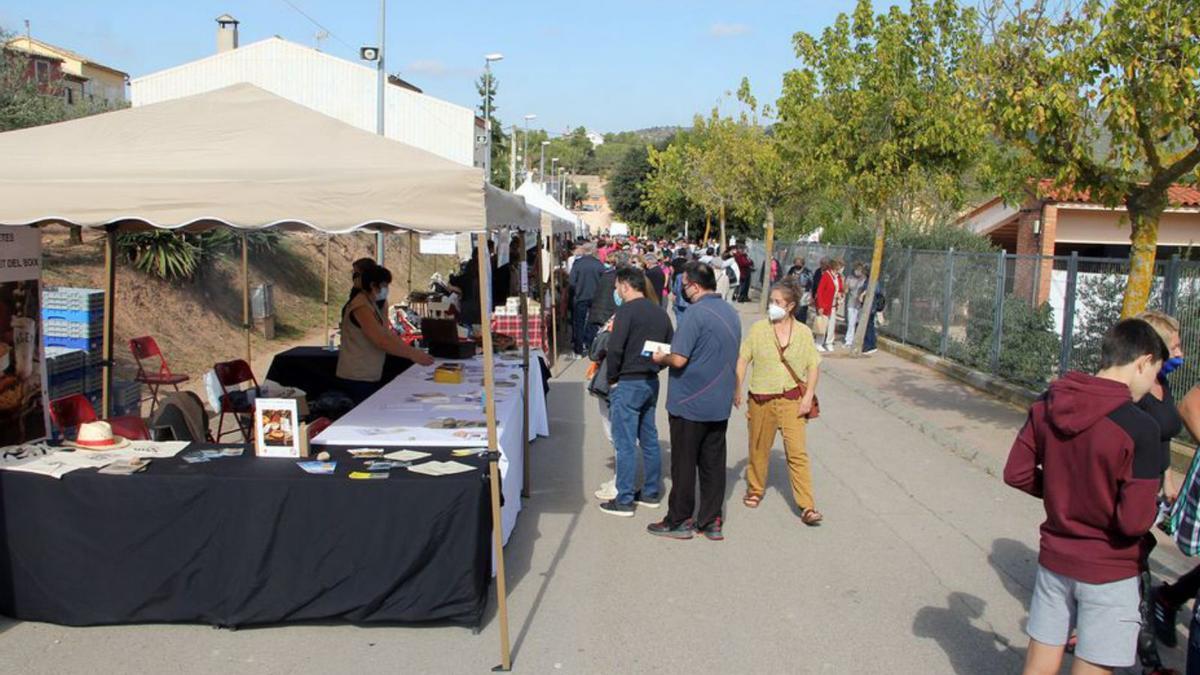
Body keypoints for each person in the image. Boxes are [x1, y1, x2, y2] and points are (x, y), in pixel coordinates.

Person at [1004, 318, 1168, 675]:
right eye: (1154, 373)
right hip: (1109, 569)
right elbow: (1133, 521)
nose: (1152, 384)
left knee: (1040, 660)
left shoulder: (1048, 402)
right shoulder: (1141, 429)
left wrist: (1062, 491)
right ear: (1143, 360)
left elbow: (1016, 473)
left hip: (1055, 558)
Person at [649, 262, 742, 541]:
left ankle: (679, 518)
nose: (682, 290)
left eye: (684, 285)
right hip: (718, 401)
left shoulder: (694, 314)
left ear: (695, 286)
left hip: (689, 402)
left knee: (684, 463)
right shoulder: (731, 312)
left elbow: (678, 358)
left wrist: (659, 357)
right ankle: (712, 520)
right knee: (713, 463)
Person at [734, 279, 824, 525]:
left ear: (791, 305)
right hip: (761, 399)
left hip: (792, 400)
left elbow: (813, 366)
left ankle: (807, 506)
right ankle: (755, 488)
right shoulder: (759, 329)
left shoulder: (803, 333)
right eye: (771, 301)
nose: (772, 306)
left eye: (777, 302)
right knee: (758, 447)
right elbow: (743, 359)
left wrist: (808, 396)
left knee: (797, 453)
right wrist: (738, 387)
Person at [598, 267, 674, 517]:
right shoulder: (660, 313)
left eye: (618, 286)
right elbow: (669, 347)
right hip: (650, 381)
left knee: (625, 442)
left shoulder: (626, 312)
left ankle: (625, 498)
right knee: (649, 438)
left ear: (625, 286)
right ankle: (651, 492)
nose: (616, 291)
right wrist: (657, 365)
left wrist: (612, 380)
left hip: (628, 382)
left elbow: (615, 349)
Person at [336, 265, 435, 404]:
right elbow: (381, 340)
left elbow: (387, 334)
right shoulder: (360, 306)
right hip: (357, 375)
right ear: (373, 285)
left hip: (369, 373)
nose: (386, 290)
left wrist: (412, 351)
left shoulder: (372, 304)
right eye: (384, 285)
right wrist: (412, 354)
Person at [568, 242, 604, 358]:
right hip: (595, 297)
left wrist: (576, 291)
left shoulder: (578, 264)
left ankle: (578, 350)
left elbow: (572, 282)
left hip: (581, 296)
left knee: (579, 322)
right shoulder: (599, 264)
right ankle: (590, 346)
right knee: (593, 322)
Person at [814, 259, 844, 351]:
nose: (841, 269)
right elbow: (820, 291)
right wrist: (820, 305)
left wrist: (840, 294)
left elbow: (840, 288)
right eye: (840, 266)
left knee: (831, 325)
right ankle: (819, 342)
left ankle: (829, 342)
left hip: (834, 305)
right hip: (825, 304)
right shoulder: (826, 275)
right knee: (823, 324)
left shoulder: (838, 277)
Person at [844, 263, 866, 348]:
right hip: (851, 302)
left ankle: (858, 340)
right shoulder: (850, 278)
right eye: (857, 269)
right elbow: (846, 289)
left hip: (860, 304)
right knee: (851, 322)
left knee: (859, 321)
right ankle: (848, 340)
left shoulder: (864, 279)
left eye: (860, 270)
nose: (858, 271)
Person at [786, 258, 813, 324]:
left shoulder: (807, 272)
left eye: (799, 263)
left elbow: (811, 282)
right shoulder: (792, 270)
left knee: (802, 310)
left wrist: (810, 293)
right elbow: (787, 279)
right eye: (796, 263)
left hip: (804, 292)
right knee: (793, 308)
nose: (797, 264)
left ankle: (801, 323)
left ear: (802, 264)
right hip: (793, 291)